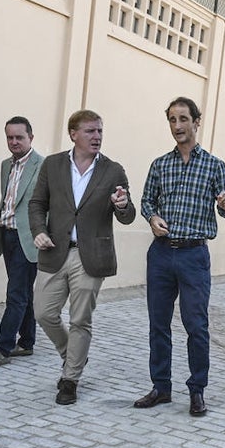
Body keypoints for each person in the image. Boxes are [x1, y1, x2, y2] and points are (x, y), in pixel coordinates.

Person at [134, 96, 225, 417]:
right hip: (161, 255)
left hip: (194, 256)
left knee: (196, 325)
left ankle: (197, 390)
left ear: (196, 122)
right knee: (158, 324)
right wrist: (152, 218)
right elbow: (146, 201)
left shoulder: (214, 165)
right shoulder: (160, 165)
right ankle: (161, 387)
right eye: (172, 120)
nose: (177, 126)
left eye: (183, 119)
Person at [28, 109, 136, 405]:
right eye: (90, 131)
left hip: (90, 256)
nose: (97, 136)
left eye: (100, 131)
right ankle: (73, 355)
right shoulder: (52, 165)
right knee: (44, 313)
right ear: (73, 134)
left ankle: (70, 379)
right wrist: (38, 230)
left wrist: (123, 204)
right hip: (54, 252)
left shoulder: (113, 170)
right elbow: (37, 203)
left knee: (80, 320)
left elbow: (127, 216)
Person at [0, 117, 44, 367]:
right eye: (10, 137)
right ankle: (27, 341)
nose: (14, 142)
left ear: (31, 137)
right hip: (6, 234)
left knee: (15, 293)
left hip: (27, 238)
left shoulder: (43, 166)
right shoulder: (5, 165)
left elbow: (48, 206)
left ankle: (3, 347)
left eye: (20, 137)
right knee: (23, 290)